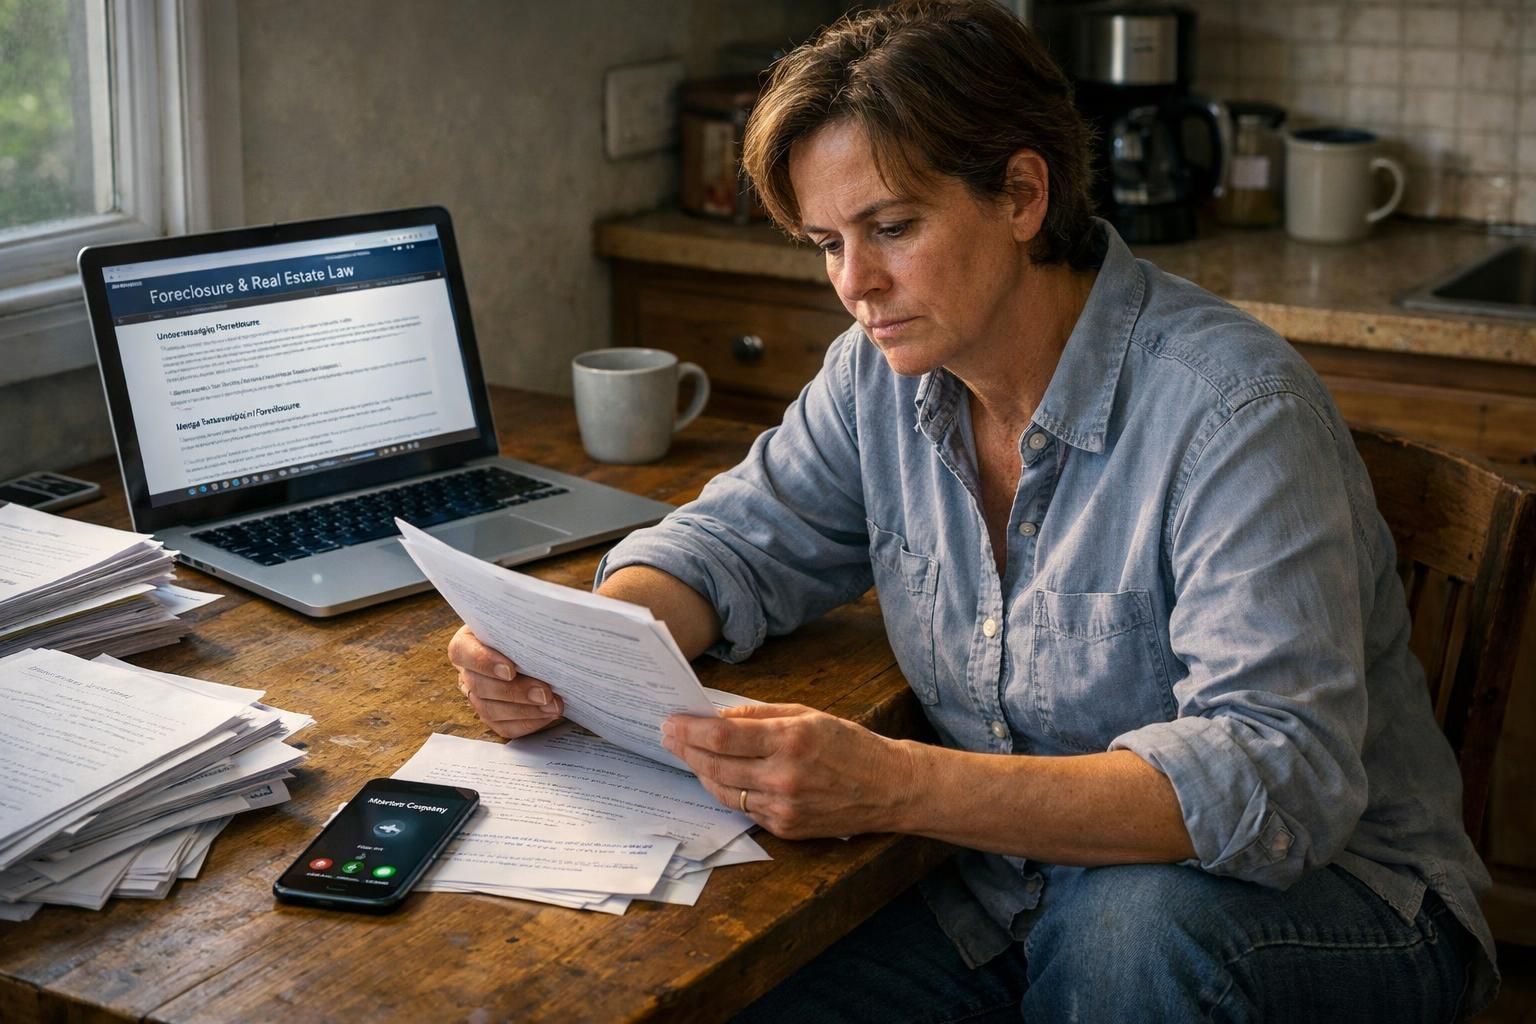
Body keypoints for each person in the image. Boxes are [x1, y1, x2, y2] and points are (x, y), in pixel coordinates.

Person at [448, 1, 1496, 1018]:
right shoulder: (879, 377)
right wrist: (582, 648)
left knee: (1136, 933)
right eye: (825, 243)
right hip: (1009, 893)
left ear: (1023, 195)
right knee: (730, 979)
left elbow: (1278, 775)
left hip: (1338, 901)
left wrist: (898, 785)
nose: (856, 284)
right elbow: (735, 541)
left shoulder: (1234, 413)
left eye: (891, 227)